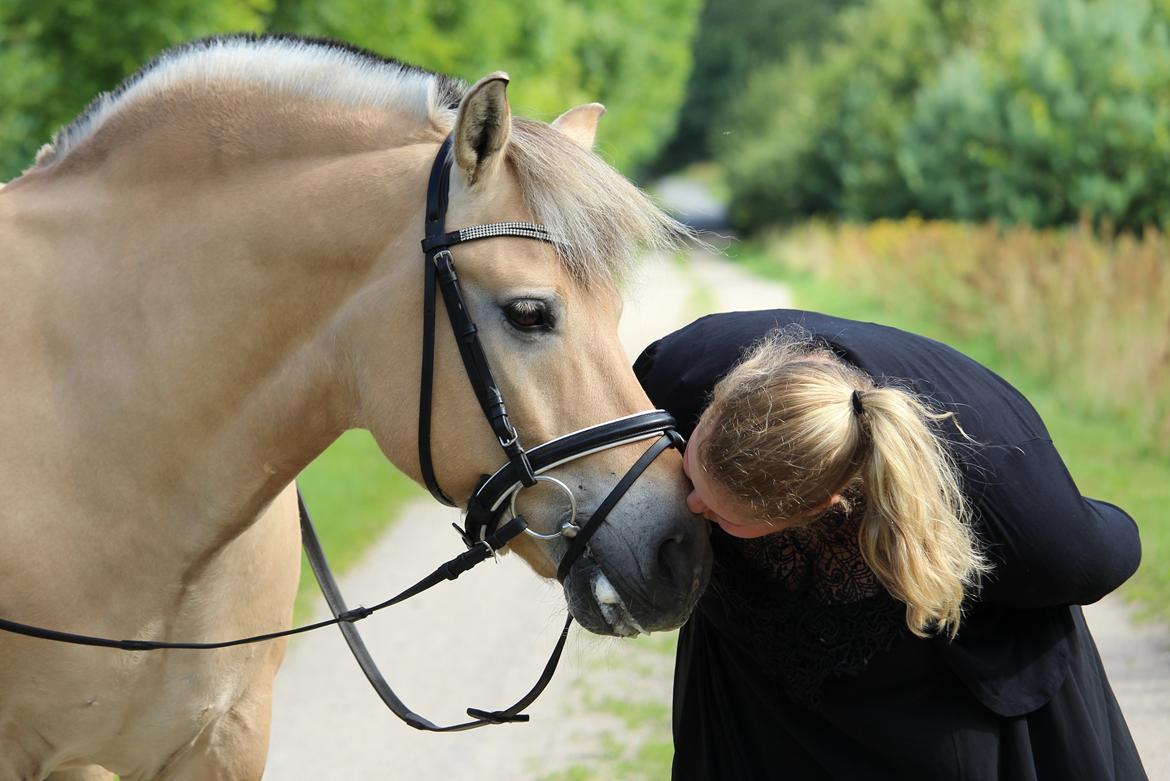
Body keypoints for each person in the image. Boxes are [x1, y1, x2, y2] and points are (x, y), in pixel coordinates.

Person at [633, 309, 1146, 781]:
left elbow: (1107, 547)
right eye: (690, 473)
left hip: (938, 710)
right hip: (751, 692)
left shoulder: (1022, 514)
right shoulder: (672, 378)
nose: (693, 504)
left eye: (720, 513)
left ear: (818, 508)